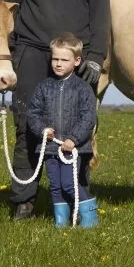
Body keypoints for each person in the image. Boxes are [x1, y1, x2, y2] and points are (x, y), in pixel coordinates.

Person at [4, 0, 111, 220]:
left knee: (78, 126)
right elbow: (11, 6)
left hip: (77, 56)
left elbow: (101, 12)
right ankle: (25, 200)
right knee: (27, 127)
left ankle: (75, 198)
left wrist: (95, 56)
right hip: (33, 52)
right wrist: (8, 55)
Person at [26, 33, 100, 228]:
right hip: (50, 148)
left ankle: (91, 218)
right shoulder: (43, 87)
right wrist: (42, 130)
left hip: (73, 149)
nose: (58, 64)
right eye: (55, 59)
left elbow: (88, 117)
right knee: (56, 186)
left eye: (64, 60)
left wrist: (74, 139)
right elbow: (33, 113)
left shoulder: (83, 88)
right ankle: (61, 222)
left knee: (69, 183)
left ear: (76, 61)